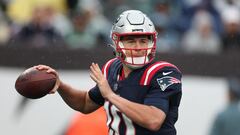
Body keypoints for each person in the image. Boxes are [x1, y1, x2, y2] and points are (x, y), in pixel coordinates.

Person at [35, 10, 182, 135]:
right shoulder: (112, 68)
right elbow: (86, 104)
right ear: (117, 43)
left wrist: (110, 95)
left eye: (143, 41)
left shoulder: (164, 72)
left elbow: (153, 120)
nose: (138, 47)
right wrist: (60, 85)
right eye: (131, 41)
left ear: (152, 43)